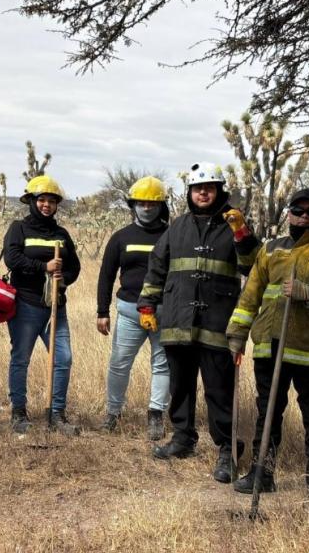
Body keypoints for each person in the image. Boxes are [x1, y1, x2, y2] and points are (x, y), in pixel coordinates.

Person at [225, 188, 309, 496]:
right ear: (288, 213)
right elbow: (251, 294)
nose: (304, 217)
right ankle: (262, 472)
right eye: (297, 211)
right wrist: (237, 333)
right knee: (268, 412)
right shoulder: (271, 249)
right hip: (268, 345)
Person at [139, 163, 258, 484]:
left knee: (219, 389)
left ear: (220, 191)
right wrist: (147, 304)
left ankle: (227, 450)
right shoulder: (177, 227)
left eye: (209, 187)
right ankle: (182, 437)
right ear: (190, 193)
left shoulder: (233, 224)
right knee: (179, 383)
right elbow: (157, 267)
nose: (203, 193)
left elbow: (252, 265)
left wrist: (242, 233)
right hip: (178, 320)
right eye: (197, 188)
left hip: (217, 322)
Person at [3, 175, 82, 436]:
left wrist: (64, 278)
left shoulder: (61, 234)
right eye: (42, 200)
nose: (46, 205)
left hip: (56, 307)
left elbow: (74, 267)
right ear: (32, 202)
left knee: (63, 359)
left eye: (51, 201)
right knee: (21, 358)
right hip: (25, 305)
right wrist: (43, 267)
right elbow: (13, 259)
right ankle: (18, 413)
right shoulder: (19, 228)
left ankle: (56, 414)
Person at [97, 176, 171, 440]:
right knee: (119, 364)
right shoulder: (121, 237)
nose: (147, 208)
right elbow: (106, 275)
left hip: (165, 312)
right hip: (129, 311)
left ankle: (156, 416)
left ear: (161, 205)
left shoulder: (172, 235)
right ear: (133, 205)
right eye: (141, 203)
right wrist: (102, 312)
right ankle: (113, 414)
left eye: (153, 203)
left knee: (162, 366)